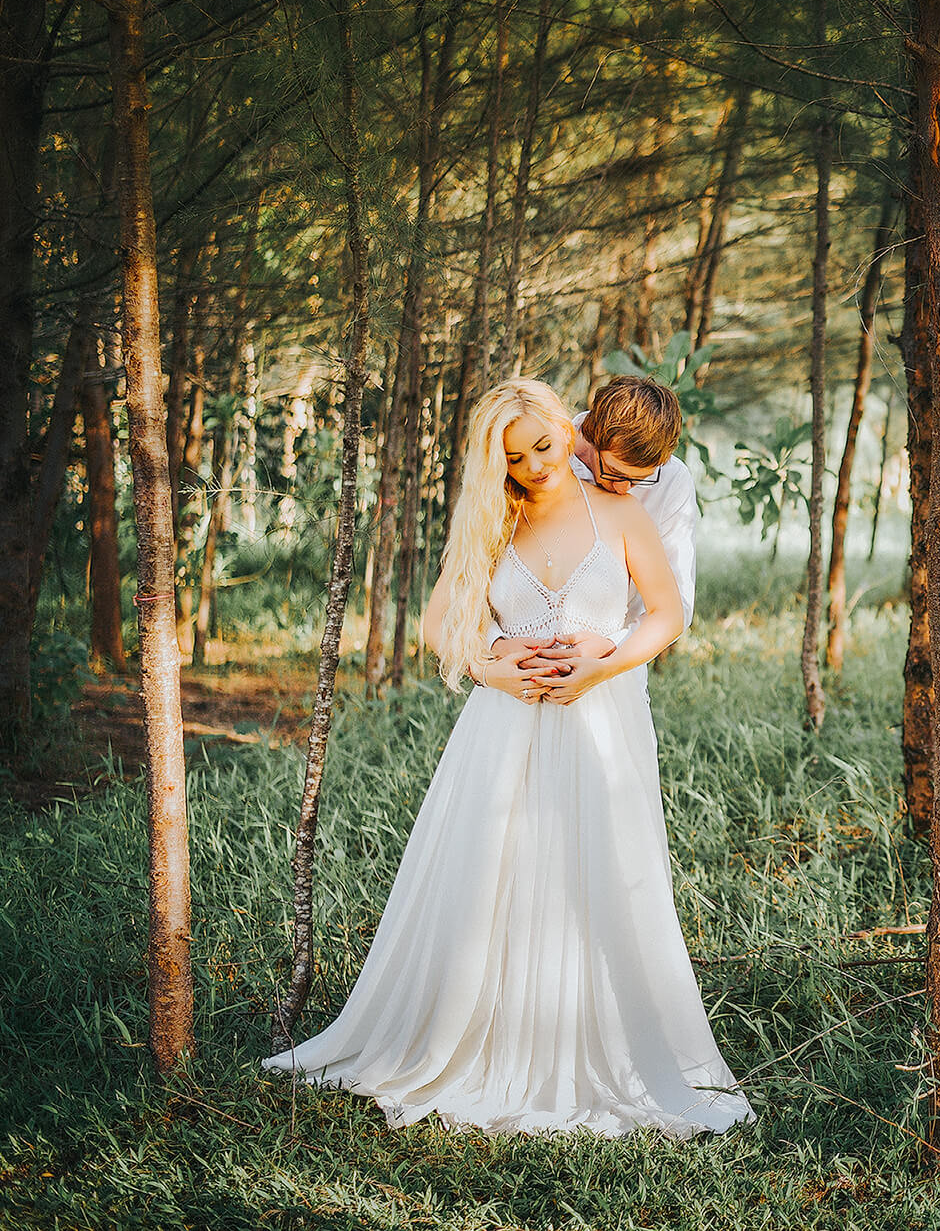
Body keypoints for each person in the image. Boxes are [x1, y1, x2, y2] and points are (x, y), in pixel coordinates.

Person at [260, 377, 756, 1139]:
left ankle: (597, 1042)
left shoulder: (640, 503)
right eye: (519, 456)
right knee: (496, 870)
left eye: (544, 450)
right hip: (503, 730)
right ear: (577, 428)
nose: (538, 464)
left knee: (600, 872)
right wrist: (492, 662)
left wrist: (602, 659)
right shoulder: (499, 512)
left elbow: (668, 609)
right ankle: (477, 1034)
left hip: (601, 714)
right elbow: (443, 621)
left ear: (566, 431)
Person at [494, 375, 696, 694]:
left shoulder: (671, 482)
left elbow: (676, 605)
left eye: (639, 480)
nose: (623, 489)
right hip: (518, 673)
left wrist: (609, 650)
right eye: (614, 473)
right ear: (590, 435)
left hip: (615, 670)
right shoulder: (542, 454)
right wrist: (496, 647)